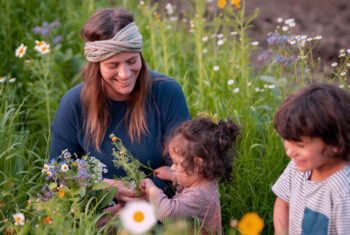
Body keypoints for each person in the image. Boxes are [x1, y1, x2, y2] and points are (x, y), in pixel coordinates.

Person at [49, 8, 191, 210]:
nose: (124, 74)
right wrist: (101, 188)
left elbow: (186, 169)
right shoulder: (74, 104)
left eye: (132, 61)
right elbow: (57, 176)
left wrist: (148, 194)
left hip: (162, 213)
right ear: (96, 65)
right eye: (112, 65)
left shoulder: (166, 93)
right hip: (97, 217)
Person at [272, 83, 350, 235]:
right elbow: (283, 203)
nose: (289, 152)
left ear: (335, 143)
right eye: (287, 140)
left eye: (300, 145)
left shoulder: (343, 193)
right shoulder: (298, 166)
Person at [140, 118, 241, 234]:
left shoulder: (200, 197)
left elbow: (167, 213)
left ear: (198, 164)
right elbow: (189, 187)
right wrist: (173, 176)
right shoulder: (206, 182)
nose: (172, 167)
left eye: (177, 164)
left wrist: (152, 190)